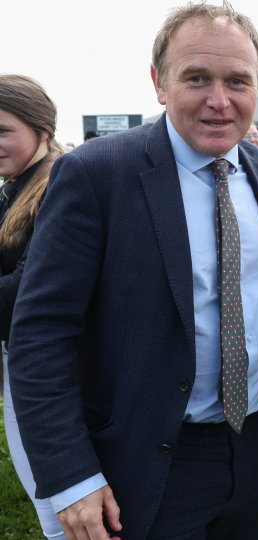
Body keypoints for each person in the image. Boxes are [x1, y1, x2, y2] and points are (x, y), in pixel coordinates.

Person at [6, 4, 258, 540]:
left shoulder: (252, 165)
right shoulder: (95, 174)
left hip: (250, 445)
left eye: (237, 81)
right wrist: (70, 478)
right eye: (197, 78)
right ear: (159, 82)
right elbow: (40, 335)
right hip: (144, 457)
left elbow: (234, 266)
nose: (219, 100)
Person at [0, 74, 68, 540]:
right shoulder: (15, 185)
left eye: (3, 129)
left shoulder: (56, 189)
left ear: (42, 130)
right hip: (21, 359)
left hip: (47, 369)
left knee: (58, 504)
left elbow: (26, 292)